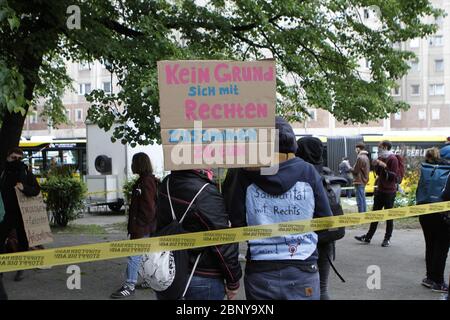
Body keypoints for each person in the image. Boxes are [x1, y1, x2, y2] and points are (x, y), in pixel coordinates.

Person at [223, 117, 333, 300]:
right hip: (303, 265)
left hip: (261, 269)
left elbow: (237, 223)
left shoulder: (244, 175)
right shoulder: (308, 172)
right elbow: (326, 220)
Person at [156, 169, 242, 300]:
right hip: (201, 278)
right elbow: (222, 242)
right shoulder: (205, 192)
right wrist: (233, 281)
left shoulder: (166, 184)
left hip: (167, 273)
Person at [296, 136, 346, 300]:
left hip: (302, 241)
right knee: (322, 287)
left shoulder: (298, 175)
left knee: (303, 288)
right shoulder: (327, 174)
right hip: (326, 238)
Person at [111, 153, 158, 298]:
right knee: (144, 256)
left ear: (139, 164)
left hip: (142, 228)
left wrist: (139, 225)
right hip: (144, 227)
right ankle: (148, 281)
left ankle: (130, 285)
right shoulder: (144, 180)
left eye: (133, 162)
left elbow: (149, 208)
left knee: (134, 256)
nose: (131, 165)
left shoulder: (146, 182)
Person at [0, 147, 41, 285]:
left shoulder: (25, 172)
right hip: (6, 213)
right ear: (7, 157)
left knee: (23, 241)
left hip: (23, 213)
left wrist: (25, 188)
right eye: (13, 158)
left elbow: (36, 190)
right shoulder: (3, 172)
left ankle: (21, 268)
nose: (16, 161)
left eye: (19, 158)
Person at [355, 140, 399, 247]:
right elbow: (379, 174)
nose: (378, 148)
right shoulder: (381, 157)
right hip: (380, 190)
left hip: (389, 192)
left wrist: (384, 166)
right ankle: (368, 237)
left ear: (385, 147)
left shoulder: (393, 159)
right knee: (375, 215)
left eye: (380, 147)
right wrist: (376, 165)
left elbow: (394, 176)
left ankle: (387, 239)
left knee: (389, 216)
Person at [417, 148, 449, 293]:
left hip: (424, 211)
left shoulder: (426, 168)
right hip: (442, 214)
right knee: (441, 248)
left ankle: (430, 278)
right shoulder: (447, 171)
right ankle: (439, 282)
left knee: (430, 245)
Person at [352, 143, 371, 213]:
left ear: (358, 148)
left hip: (359, 180)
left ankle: (361, 214)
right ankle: (364, 212)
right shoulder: (366, 157)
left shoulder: (360, 157)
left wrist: (349, 167)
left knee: (359, 198)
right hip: (363, 180)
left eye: (356, 148)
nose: (355, 150)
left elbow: (355, 170)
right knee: (362, 198)